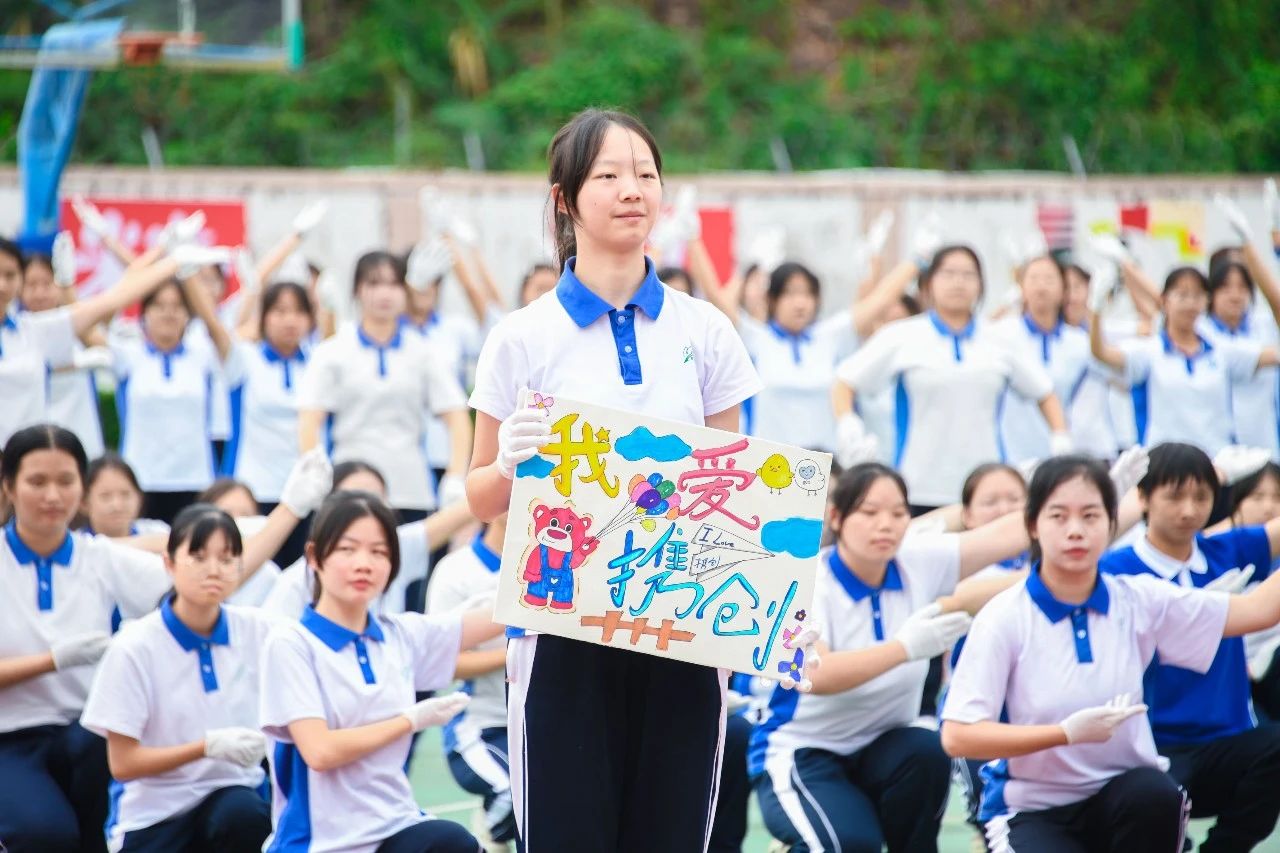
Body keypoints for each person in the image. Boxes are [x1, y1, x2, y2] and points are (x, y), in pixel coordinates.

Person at [465, 108, 766, 852]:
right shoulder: (522, 336)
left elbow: (730, 491)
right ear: (564, 200)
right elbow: (478, 495)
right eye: (608, 175)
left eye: (645, 174)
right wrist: (505, 465)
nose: (632, 190)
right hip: (561, 625)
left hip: (681, 625)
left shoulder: (705, 330)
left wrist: (768, 609)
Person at [941, 454, 1280, 852]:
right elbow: (958, 736)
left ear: (1111, 524)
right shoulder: (1004, 616)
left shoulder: (1138, 599)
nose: (1075, 531)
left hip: (1124, 795)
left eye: (1090, 516)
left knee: (1154, 794)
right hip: (1034, 808)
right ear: (1033, 525)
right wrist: (1064, 734)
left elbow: (1257, 611)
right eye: (1058, 517)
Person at [750, 463, 1033, 853]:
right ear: (836, 516)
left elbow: (1008, 534)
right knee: (848, 845)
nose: (885, 524)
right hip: (805, 751)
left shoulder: (918, 559)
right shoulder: (809, 581)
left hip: (885, 746)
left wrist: (1089, 500)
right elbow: (816, 674)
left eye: (899, 513)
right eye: (869, 512)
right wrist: (904, 648)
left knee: (927, 749)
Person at [258, 490, 502, 852]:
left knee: (455, 844)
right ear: (314, 557)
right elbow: (320, 751)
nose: (364, 563)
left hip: (393, 824)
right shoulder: (291, 644)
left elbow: (498, 615)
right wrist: (409, 721)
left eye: (379, 552)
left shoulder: (398, 634)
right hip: (322, 842)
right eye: (347, 549)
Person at [1101, 442, 1280, 852]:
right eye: (1175, 496)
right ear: (1143, 497)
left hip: (1225, 743)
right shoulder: (1115, 570)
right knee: (1148, 813)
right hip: (1149, 748)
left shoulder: (1228, 550)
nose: (1189, 510)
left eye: (1201, 497)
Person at [81, 504, 278, 852]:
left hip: (231, 797)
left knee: (245, 815)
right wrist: (205, 747)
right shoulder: (135, 646)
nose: (214, 570)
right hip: (153, 815)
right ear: (169, 563)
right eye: (198, 557)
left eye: (227, 558)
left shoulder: (259, 630)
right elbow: (123, 764)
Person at [833, 245, 1068, 511]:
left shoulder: (1000, 339)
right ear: (929, 283)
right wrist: (847, 422)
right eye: (948, 274)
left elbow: (1044, 391)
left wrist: (1060, 435)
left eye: (968, 275)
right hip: (917, 487)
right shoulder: (903, 335)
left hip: (986, 488)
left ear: (981, 284)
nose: (958, 282)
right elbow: (845, 381)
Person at [298, 251, 472, 521]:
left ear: (405, 291)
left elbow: (457, 415)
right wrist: (314, 472)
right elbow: (310, 420)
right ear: (357, 290)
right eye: (374, 283)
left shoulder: (423, 351)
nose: (384, 294)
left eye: (393, 284)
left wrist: (455, 475)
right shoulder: (333, 351)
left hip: (411, 490)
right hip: (349, 486)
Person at [0, 237, 205, 445]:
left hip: (34, 452)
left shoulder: (36, 331)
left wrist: (174, 261)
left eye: (9, 275)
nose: (2, 285)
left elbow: (112, 300)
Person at [1090, 266, 1280, 457]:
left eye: (1197, 296)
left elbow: (1272, 355)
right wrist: (1096, 309)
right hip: (1164, 462)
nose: (1190, 304)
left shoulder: (1221, 350)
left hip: (1215, 461)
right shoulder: (1150, 350)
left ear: (1206, 300)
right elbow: (1102, 353)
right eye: (1182, 295)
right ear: (1165, 300)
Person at [111, 268, 233, 525]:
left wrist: (187, 273)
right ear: (144, 313)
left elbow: (216, 327)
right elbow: (87, 324)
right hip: (141, 478)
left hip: (195, 478)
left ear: (188, 314)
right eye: (159, 306)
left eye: (177, 306)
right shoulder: (128, 355)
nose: (168, 313)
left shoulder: (203, 355)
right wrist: (163, 261)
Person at [427, 514, 513, 848]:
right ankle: (489, 836)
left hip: (551, 722)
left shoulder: (571, 556)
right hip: (482, 725)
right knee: (513, 794)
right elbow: (440, 661)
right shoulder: (456, 570)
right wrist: (513, 655)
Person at [992, 255, 1092, 464]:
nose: (1041, 287)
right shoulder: (1002, 334)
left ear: (1063, 290)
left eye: (1049, 279)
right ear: (1021, 288)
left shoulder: (1079, 342)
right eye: (1034, 278)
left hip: (1058, 450)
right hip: (1009, 454)